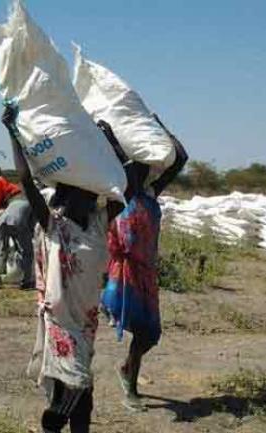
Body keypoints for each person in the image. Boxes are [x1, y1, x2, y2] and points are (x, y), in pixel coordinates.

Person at [2, 104, 123, 433]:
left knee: (82, 387)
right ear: (64, 198)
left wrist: (110, 145)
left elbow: (128, 186)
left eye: (89, 194)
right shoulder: (54, 225)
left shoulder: (98, 223)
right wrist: (13, 132)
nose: (85, 199)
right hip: (59, 320)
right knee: (76, 381)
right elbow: (26, 179)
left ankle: (63, 423)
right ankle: (55, 419)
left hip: (85, 322)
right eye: (78, 194)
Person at [99, 115, 188, 411]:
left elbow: (180, 157)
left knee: (150, 335)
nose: (141, 171)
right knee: (137, 327)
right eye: (136, 168)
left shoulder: (151, 194)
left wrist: (158, 125)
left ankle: (126, 369)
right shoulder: (120, 198)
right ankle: (131, 388)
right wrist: (110, 134)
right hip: (121, 274)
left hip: (146, 273)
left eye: (142, 168)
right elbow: (122, 161)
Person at [0, 197, 35, 290]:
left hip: (1, 222)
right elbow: (31, 226)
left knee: (2, 251)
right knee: (27, 252)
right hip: (17, 222)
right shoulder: (33, 205)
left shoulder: (15, 201)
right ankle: (26, 281)